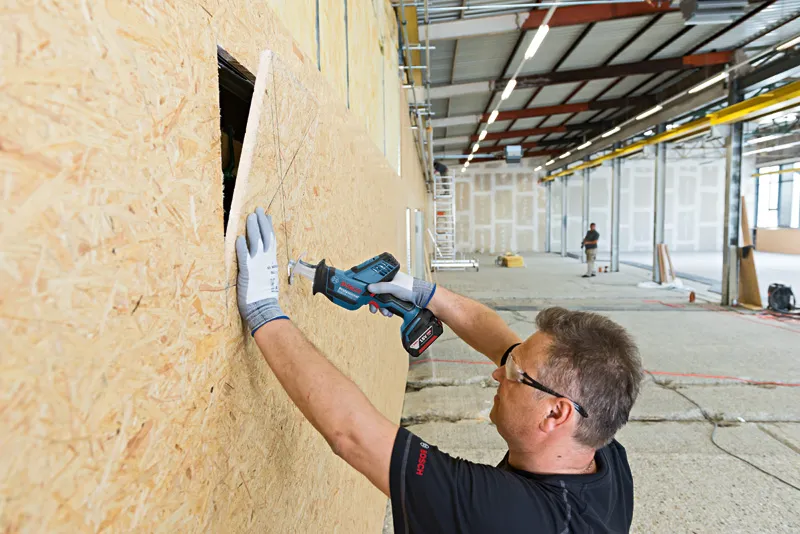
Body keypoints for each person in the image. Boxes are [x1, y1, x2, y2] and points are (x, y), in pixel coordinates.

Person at [236, 208, 643, 534]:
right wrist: (424, 293)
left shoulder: (507, 514)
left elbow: (352, 434)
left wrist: (264, 313)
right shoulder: (601, 450)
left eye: (514, 373)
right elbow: (500, 341)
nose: (497, 374)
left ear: (557, 413)